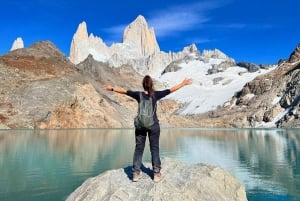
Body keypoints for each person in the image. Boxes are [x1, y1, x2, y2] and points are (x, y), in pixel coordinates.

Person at [103, 75, 192, 182]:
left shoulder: (138, 95)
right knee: (154, 148)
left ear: (143, 85)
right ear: (151, 85)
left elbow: (124, 91)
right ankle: (156, 174)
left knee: (139, 148)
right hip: (153, 125)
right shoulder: (156, 95)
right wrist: (183, 83)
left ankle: (136, 173)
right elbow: (171, 90)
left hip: (140, 125)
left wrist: (112, 88)